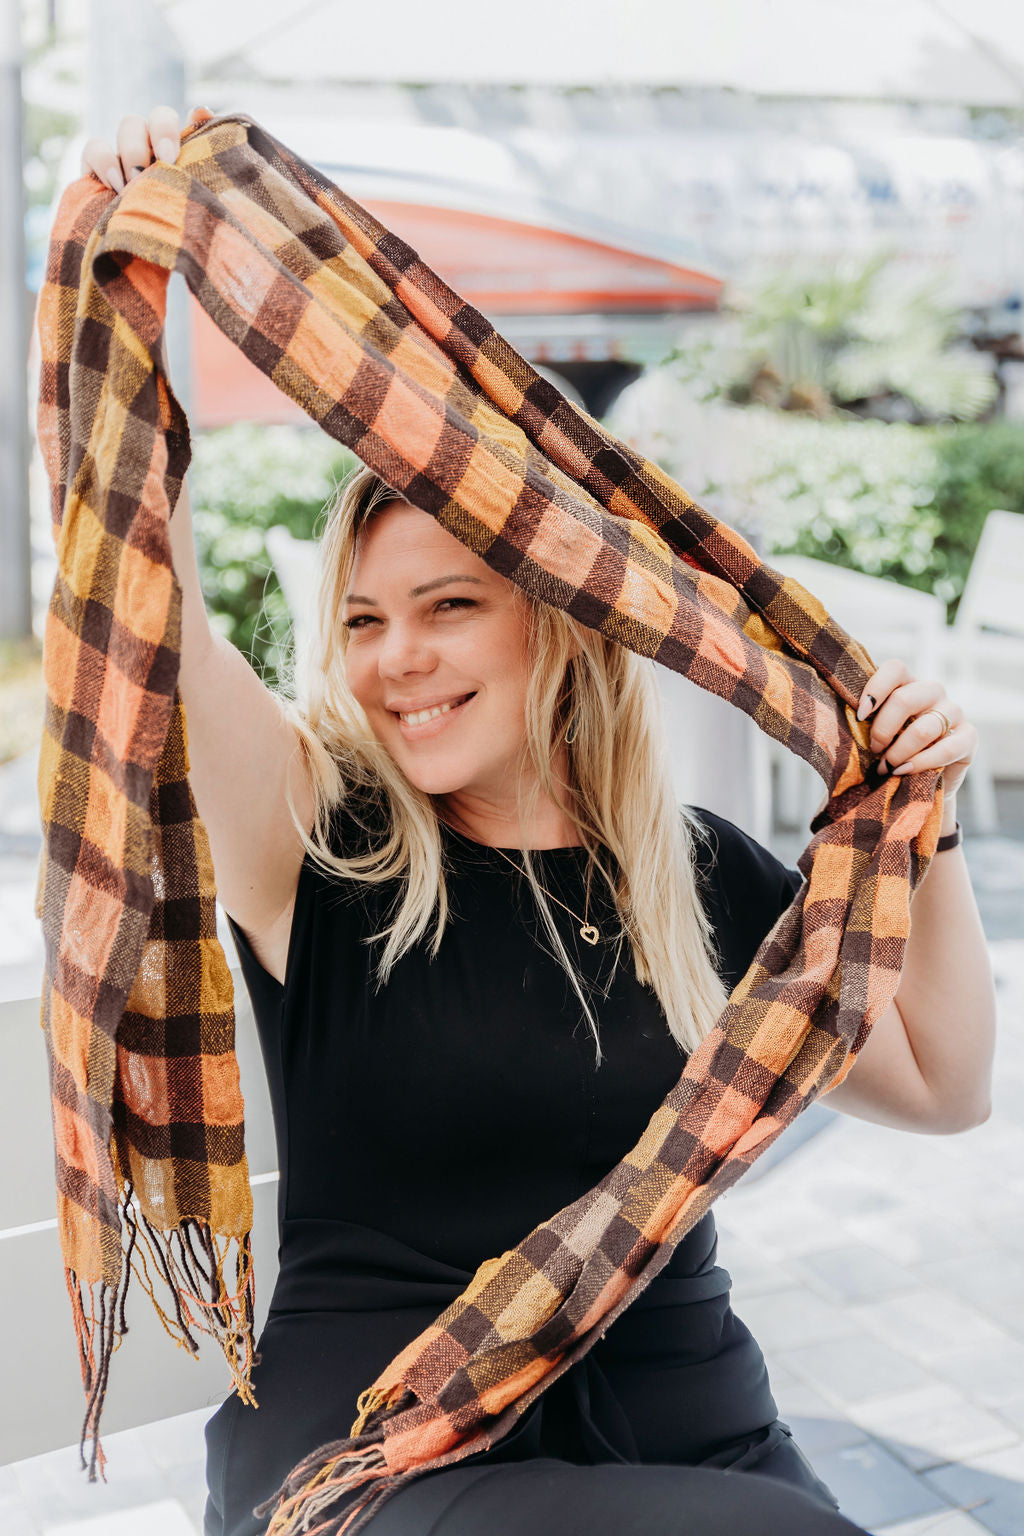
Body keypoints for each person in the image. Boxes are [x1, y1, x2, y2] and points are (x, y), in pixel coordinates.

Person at [82, 109, 996, 1536]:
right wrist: (131, 279)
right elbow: (159, 617)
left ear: (563, 626)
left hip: (689, 1420)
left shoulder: (704, 874)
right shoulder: (322, 844)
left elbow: (945, 1088)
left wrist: (915, 831)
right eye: (367, 622)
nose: (400, 660)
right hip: (386, 1437)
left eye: (453, 607)